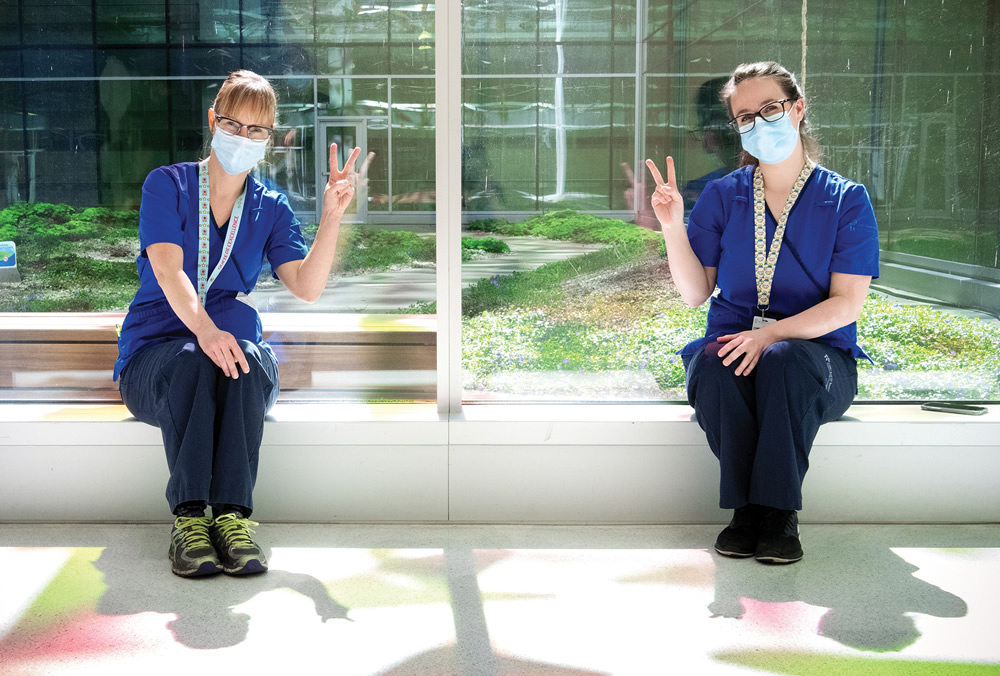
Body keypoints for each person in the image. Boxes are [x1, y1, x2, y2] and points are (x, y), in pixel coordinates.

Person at [114, 70, 361, 577]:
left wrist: (333, 216)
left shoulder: (271, 207)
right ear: (213, 120)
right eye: (233, 124)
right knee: (192, 361)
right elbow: (167, 268)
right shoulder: (168, 185)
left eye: (257, 130)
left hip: (235, 364)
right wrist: (204, 330)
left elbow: (306, 286)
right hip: (156, 361)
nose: (243, 138)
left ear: (270, 138)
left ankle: (230, 519)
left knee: (243, 359)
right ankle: (189, 521)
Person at [645, 61, 879, 564]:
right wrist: (671, 227)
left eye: (769, 109)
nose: (759, 122)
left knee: (784, 361)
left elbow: (847, 305)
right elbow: (694, 294)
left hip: (816, 363)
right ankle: (746, 512)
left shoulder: (846, 200)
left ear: (797, 109)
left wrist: (769, 337)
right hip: (735, 350)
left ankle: (776, 513)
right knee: (713, 363)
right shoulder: (722, 195)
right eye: (745, 116)